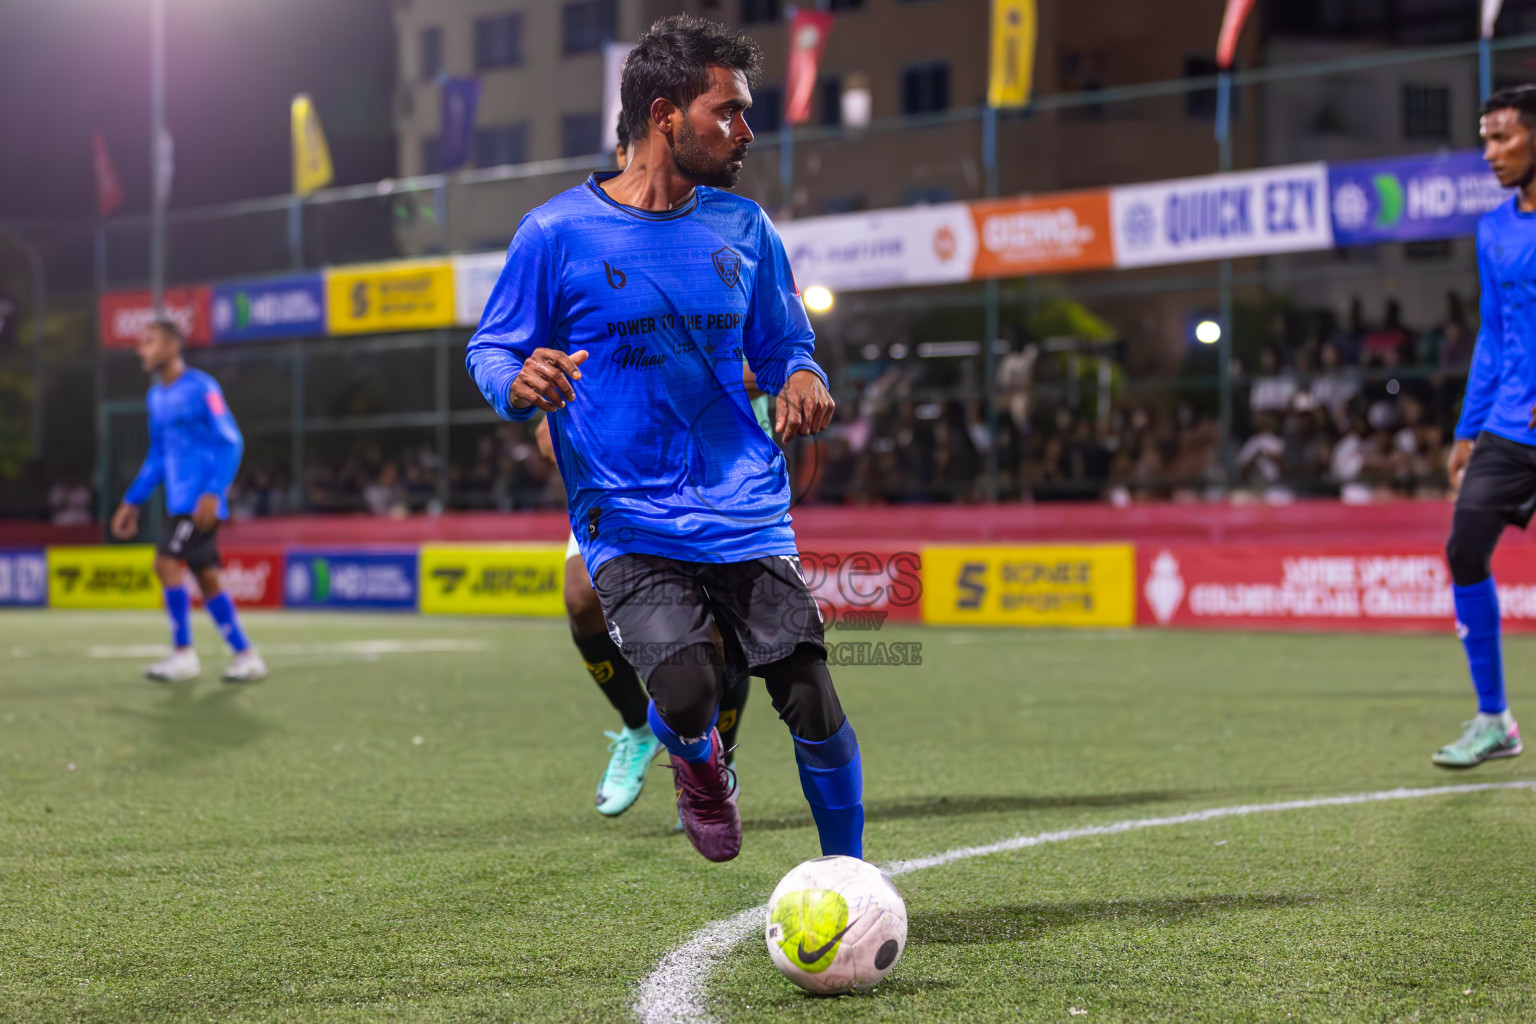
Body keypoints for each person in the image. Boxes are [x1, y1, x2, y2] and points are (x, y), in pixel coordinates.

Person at [467, 14, 860, 864]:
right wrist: (514, 381)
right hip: (628, 515)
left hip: (746, 508)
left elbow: (785, 346)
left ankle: (850, 876)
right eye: (728, 111)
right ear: (663, 115)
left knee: (811, 696)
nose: (746, 130)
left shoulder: (745, 229)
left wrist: (804, 377)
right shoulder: (554, 232)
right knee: (686, 693)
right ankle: (698, 765)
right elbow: (490, 348)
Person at [528, 113, 758, 820]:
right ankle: (636, 729)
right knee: (578, 597)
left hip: (712, 467)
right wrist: (553, 414)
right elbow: (549, 378)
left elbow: (763, 350)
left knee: (721, 628)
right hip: (618, 474)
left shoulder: (723, 234)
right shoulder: (575, 241)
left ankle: (716, 759)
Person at [1436, 85, 1536, 768]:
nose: (1490, 152)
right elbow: (1494, 337)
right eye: (1486, 138)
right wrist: (1468, 430)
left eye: (1503, 137)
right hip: (1509, 428)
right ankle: (1494, 719)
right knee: (1464, 550)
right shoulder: (1494, 228)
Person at [110, 320, 266, 684]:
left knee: (165, 563)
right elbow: (158, 456)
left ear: (172, 347)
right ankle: (246, 655)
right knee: (207, 577)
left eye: (149, 342)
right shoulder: (156, 397)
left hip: (199, 503)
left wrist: (214, 491)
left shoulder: (202, 388)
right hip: (178, 503)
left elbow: (231, 441)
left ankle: (184, 653)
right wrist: (132, 501)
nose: (140, 350)